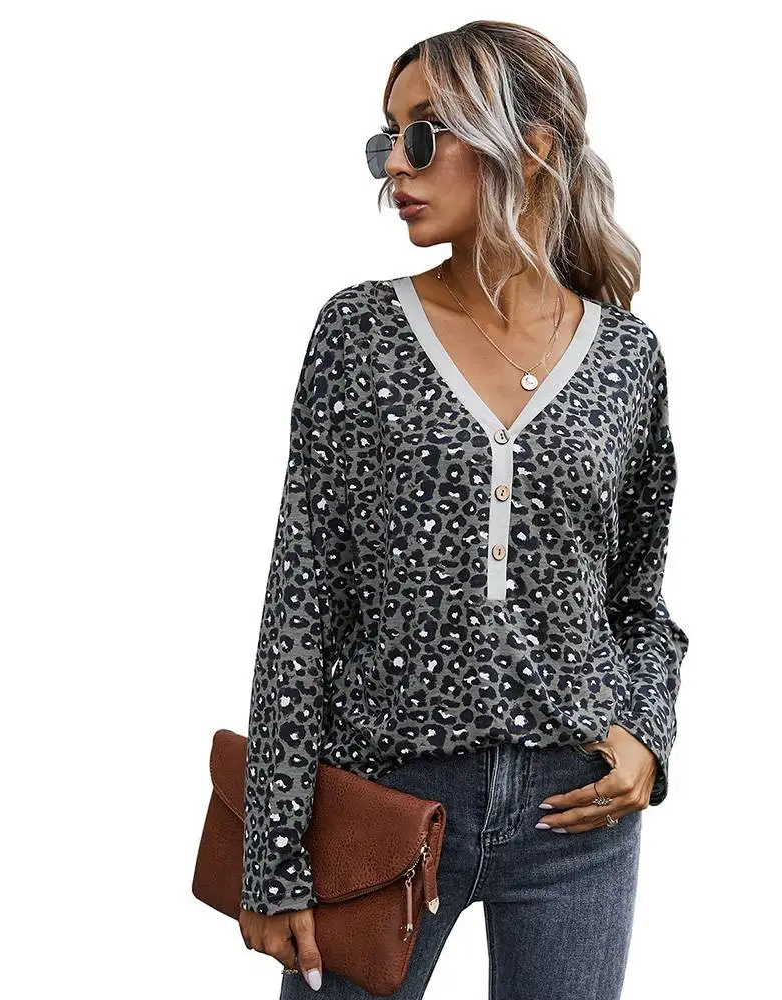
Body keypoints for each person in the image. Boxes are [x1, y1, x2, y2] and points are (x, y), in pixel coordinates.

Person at [237, 19, 690, 999]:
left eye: (424, 133)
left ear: (531, 146)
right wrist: (271, 853)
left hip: (578, 818)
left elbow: (639, 601)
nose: (393, 167)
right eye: (386, 139)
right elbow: (302, 603)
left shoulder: (627, 358)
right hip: (380, 804)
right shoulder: (358, 332)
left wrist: (648, 738)